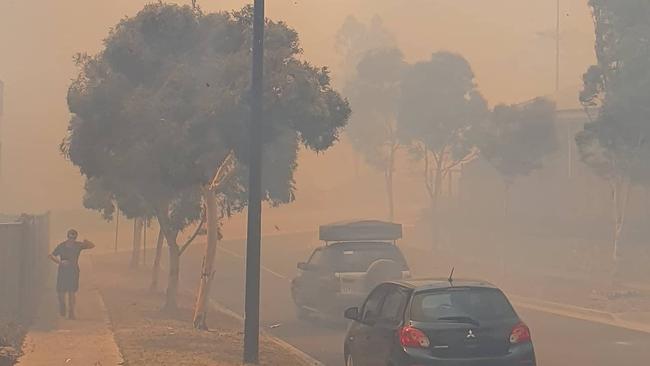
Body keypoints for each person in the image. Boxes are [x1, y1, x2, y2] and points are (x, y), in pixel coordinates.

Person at [48, 229, 95, 319]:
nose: (72, 239)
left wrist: (87, 242)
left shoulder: (78, 245)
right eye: (70, 237)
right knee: (61, 293)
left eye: (73, 237)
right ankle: (62, 305)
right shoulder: (61, 246)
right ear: (67, 237)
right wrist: (60, 262)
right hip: (63, 271)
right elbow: (51, 255)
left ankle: (71, 312)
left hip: (73, 271)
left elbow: (92, 246)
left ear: (75, 237)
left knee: (71, 292)